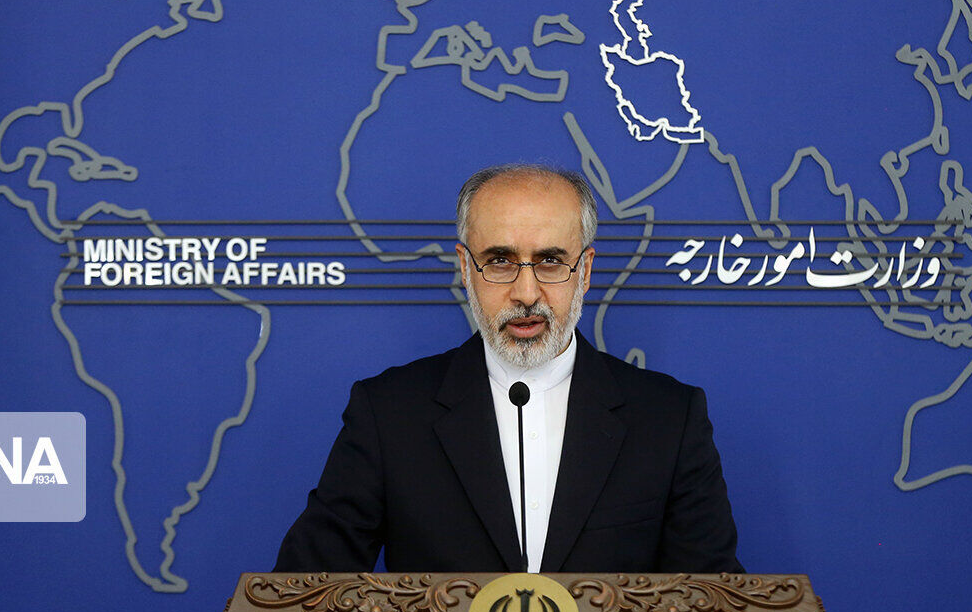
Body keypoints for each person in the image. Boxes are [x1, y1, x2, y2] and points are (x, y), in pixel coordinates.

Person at [273, 162, 741, 574]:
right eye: (499, 261)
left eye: (551, 261)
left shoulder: (670, 418)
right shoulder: (388, 413)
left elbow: (716, 606)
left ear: (585, 270)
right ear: (465, 267)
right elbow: (305, 589)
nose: (526, 293)